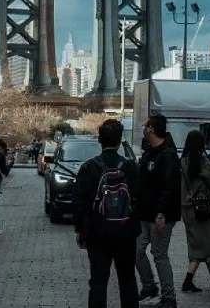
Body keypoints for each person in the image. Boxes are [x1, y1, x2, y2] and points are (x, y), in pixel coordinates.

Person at [73, 119, 140, 308]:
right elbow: (139, 198)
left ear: (99, 140)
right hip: (125, 233)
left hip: (98, 233)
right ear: (120, 141)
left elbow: (80, 203)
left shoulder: (89, 167)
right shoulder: (130, 167)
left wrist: (81, 230)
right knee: (127, 280)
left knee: (98, 281)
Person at [136, 115, 181, 308]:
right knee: (136, 251)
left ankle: (169, 297)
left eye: (146, 125)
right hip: (143, 214)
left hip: (160, 215)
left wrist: (162, 213)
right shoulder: (148, 153)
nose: (143, 128)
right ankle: (149, 286)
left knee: (159, 253)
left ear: (151, 129)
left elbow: (170, 187)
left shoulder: (168, 155)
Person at [180, 130, 210, 293]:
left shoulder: (182, 161)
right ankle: (188, 281)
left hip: (187, 208)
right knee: (203, 246)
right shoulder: (203, 161)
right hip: (203, 208)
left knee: (201, 244)